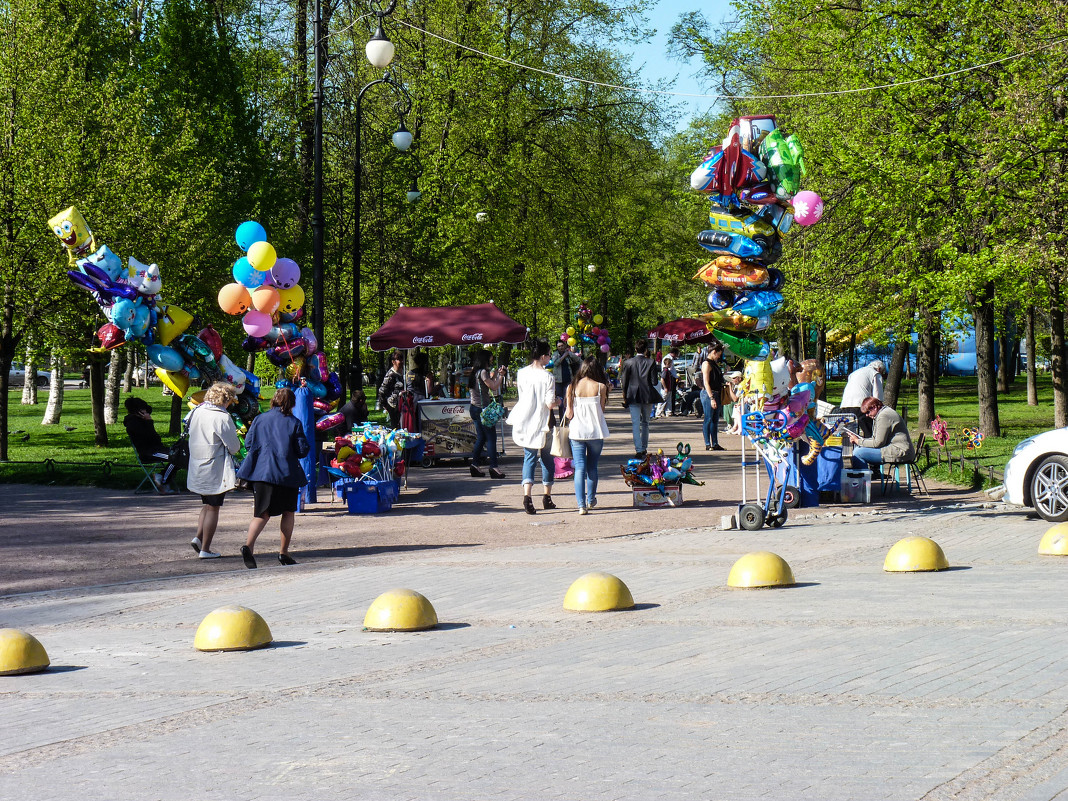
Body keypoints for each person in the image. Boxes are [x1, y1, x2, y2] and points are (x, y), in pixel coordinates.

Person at [236, 388, 311, 568]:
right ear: (292, 403)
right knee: (288, 512)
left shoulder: (259, 419)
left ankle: (248, 546)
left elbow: (248, 443)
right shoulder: (294, 422)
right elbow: (302, 450)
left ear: (273, 401)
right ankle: (283, 553)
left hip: (261, 473)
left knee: (262, 514)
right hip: (286, 474)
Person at [186, 382, 241, 559]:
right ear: (226, 400)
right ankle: (206, 549)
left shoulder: (197, 411)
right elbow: (234, 447)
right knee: (214, 507)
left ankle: (199, 537)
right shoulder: (222, 417)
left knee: (207, 504)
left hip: (198, 463)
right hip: (215, 467)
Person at [506, 339, 557, 515]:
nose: (549, 358)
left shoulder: (521, 373)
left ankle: (527, 496)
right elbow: (549, 403)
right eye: (549, 355)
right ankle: (547, 496)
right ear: (543, 356)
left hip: (526, 419)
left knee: (529, 457)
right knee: (547, 458)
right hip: (543, 421)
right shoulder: (548, 377)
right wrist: (559, 401)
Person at [565, 357, 610, 515]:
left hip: (577, 432)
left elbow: (569, 413)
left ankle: (581, 505)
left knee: (579, 468)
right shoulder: (601, 387)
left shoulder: (572, 387)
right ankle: (591, 500)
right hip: (595, 432)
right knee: (592, 467)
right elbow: (601, 411)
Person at [844, 396, 915, 476]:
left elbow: (878, 443)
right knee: (858, 449)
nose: (867, 415)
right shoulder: (882, 413)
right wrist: (861, 441)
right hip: (895, 448)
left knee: (858, 453)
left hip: (901, 451)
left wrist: (858, 441)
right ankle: (863, 481)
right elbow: (875, 439)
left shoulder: (884, 416)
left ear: (874, 407)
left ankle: (863, 482)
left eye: (868, 412)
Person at [122, 397, 179, 493]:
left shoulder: (141, 421)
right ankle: (163, 481)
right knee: (176, 458)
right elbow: (151, 437)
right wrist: (149, 422)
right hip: (149, 452)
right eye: (143, 409)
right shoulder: (133, 424)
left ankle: (162, 477)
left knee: (180, 454)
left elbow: (156, 439)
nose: (146, 411)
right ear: (138, 411)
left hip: (157, 449)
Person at [468, 349, 506, 479]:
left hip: (474, 408)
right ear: (485, 360)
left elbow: (486, 383)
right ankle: (494, 467)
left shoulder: (475, 371)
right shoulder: (483, 372)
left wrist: (495, 374)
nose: (490, 362)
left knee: (481, 438)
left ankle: (474, 465)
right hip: (483, 410)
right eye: (489, 360)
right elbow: (494, 387)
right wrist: (501, 376)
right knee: (491, 438)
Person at [619, 339, 658, 457]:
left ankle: (639, 449)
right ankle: (644, 447)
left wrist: (624, 395)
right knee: (646, 422)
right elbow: (654, 381)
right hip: (647, 395)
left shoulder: (628, 362)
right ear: (646, 349)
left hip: (633, 395)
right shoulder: (651, 362)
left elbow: (624, 381)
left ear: (636, 349)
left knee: (635, 423)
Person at [840, 360, 887, 437]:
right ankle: (870, 447)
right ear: (879, 369)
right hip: (860, 406)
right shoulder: (875, 374)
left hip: (844, 406)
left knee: (851, 434)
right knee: (871, 433)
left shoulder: (854, 373)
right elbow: (878, 397)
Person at [700, 343, 726, 451]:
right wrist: (711, 398)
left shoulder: (714, 363)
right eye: (718, 354)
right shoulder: (706, 364)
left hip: (716, 392)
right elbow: (706, 382)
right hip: (709, 394)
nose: (719, 357)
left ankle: (715, 443)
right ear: (714, 352)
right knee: (708, 418)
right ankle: (707, 443)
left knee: (715, 419)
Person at [377, 351, 405, 428]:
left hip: (403, 404)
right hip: (393, 406)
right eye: (399, 359)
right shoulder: (390, 375)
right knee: (396, 427)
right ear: (393, 362)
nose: (401, 361)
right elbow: (382, 390)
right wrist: (385, 405)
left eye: (402, 359)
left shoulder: (403, 372)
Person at [655, 353, 678, 418]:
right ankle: (658, 413)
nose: (671, 365)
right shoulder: (665, 371)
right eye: (670, 364)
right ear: (667, 364)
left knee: (669, 401)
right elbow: (662, 379)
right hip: (666, 389)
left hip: (669, 388)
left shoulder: (668, 371)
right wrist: (665, 387)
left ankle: (668, 412)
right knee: (662, 401)